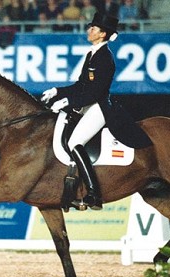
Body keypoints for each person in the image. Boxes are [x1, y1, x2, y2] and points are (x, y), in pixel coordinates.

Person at [40, 12, 151, 209]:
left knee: (75, 142)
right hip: (89, 104)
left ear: (102, 34)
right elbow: (80, 85)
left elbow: (95, 92)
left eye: (93, 28)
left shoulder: (105, 58)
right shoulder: (92, 54)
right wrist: (57, 91)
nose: (89, 30)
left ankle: (94, 193)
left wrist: (66, 101)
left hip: (100, 107)